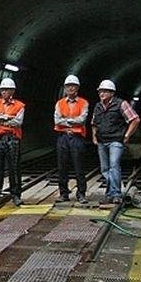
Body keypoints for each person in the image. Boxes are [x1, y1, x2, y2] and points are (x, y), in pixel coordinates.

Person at [91, 80, 140, 204]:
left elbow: (135, 119)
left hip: (116, 141)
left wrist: (127, 135)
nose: (101, 93)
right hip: (102, 141)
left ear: (112, 93)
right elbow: (94, 123)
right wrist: (94, 137)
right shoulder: (98, 106)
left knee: (114, 166)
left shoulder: (121, 104)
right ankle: (110, 193)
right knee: (105, 169)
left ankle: (116, 194)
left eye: (104, 91)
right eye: (100, 91)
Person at [0, 78, 25, 206]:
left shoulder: (20, 105)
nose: (4, 92)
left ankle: (16, 194)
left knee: (14, 168)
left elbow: (18, 122)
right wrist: (6, 118)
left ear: (12, 91)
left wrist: (1, 121)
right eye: (2, 90)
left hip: (13, 139)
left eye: (7, 90)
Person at [54, 75, 89, 203]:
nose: (70, 88)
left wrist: (66, 122)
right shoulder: (60, 103)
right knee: (62, 166)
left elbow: (82, 120)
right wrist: (72, 123)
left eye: (73, 86)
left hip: (77, 138)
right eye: (68, 86)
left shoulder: (83, 103)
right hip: (63, 137)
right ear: (65, 88)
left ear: (77, 88)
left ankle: (81, 194)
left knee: (79, 166)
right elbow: (57, 120)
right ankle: (64, 194)